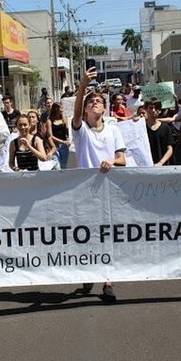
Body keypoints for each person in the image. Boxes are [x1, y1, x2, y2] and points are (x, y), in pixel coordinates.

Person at [73, 66, 126, 302]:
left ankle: (108, 281)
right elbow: (74, 115)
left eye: (98, 100)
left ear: (104, 108)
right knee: (87, 235)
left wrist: (112, 161)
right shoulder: (81, 130)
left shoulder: (114, 130)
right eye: (90, 101)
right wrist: (83, 85)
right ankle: (89, 268)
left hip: (109, 191)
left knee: (108, 235)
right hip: (86, 192)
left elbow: (122, 160)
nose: (95, 103)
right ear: (85, 109)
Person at [143, 98, 175, 166]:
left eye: (156, 108)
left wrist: (160, 163)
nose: (153, 111)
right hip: (145, 166)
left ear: (160, 111)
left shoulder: (166, 128)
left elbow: (170, 149)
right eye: (150, 108)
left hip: (163, 167)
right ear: (146, 109)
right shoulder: (141, 127)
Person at [48, 102, 71, 169]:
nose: (62, 110)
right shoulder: (50, 121)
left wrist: (67, 140)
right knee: (57, 166)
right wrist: (61, 141)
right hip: (55, 146)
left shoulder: (64, 120)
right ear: (56, 109)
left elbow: (66, 132)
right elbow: (50, 135)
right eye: (61, 108)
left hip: (64, 146)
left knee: (63, 166)